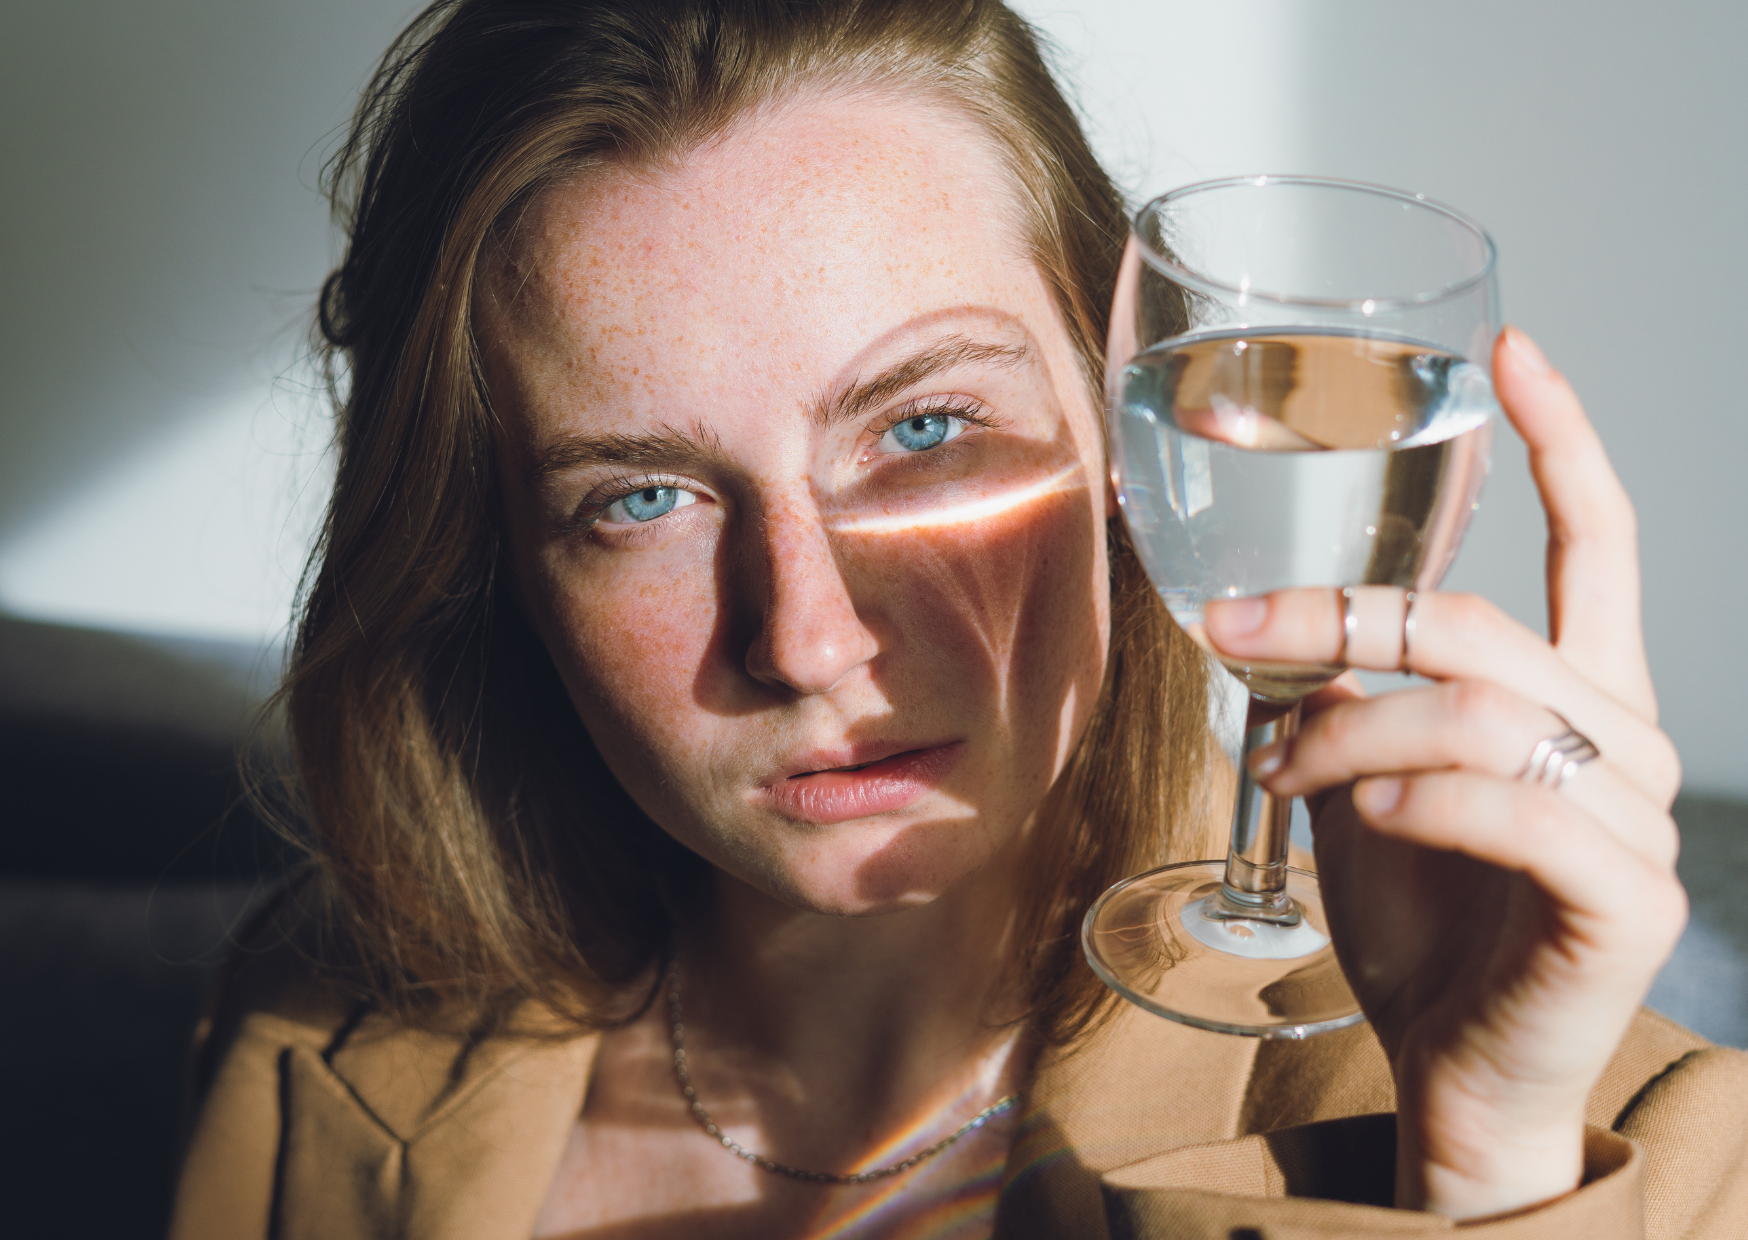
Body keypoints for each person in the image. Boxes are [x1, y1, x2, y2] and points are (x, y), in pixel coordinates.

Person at [169, 1, 1748, 1237]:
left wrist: (1486, 1166)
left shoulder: (1622, 1165)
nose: (805, 636)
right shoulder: (323, 1027)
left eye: (925, 429)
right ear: (497, 560)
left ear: (1133, 430)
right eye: (640, 498)